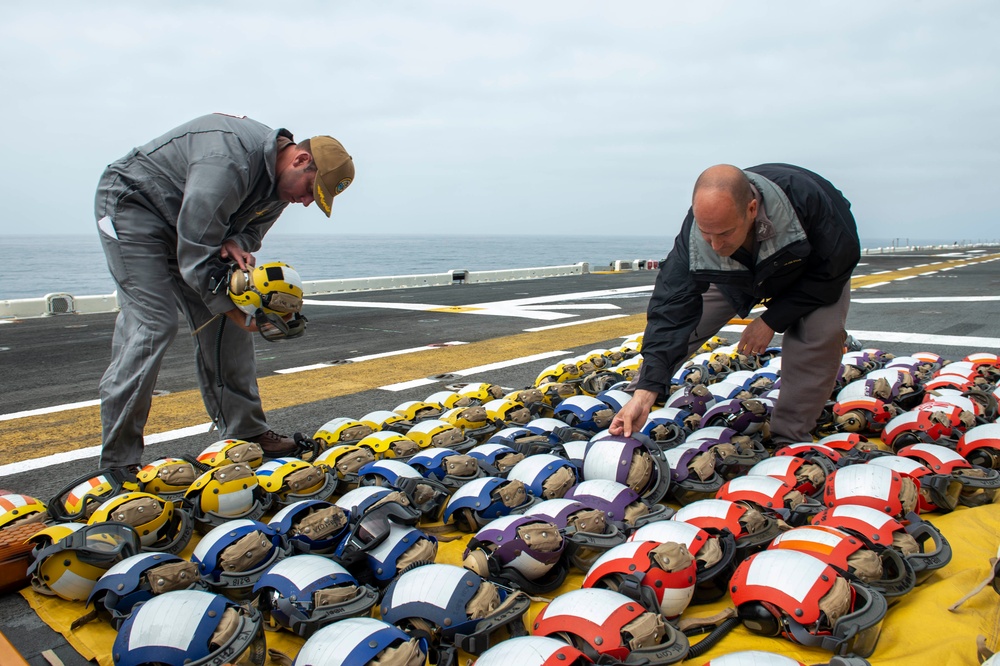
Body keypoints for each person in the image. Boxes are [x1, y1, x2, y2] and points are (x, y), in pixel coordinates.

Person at [94, 113, 354, 473]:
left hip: (189, 228)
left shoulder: (280, 187)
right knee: (153, 325)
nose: (307, 201)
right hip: (135, 209)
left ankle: (246, 433)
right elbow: (196, 248)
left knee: (229, 324)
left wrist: (236, 241)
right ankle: (118, 464)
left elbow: (250, 234)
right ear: (300, 159)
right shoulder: (229, 159)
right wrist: (238, 314)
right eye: (311, 190)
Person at [610, 163, 859, 446]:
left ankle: (789, 436)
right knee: (688, 325)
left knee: (819, 336)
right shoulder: (699, 231)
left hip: (812, 274)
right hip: (738, 273)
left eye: (724, 233)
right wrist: (646, 392)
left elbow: (835, 269)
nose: (714, 245)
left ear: (751, 209)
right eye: (707, 233)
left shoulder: (809, 202)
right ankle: (636, 399)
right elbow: (671, 311)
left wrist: (771, 321)